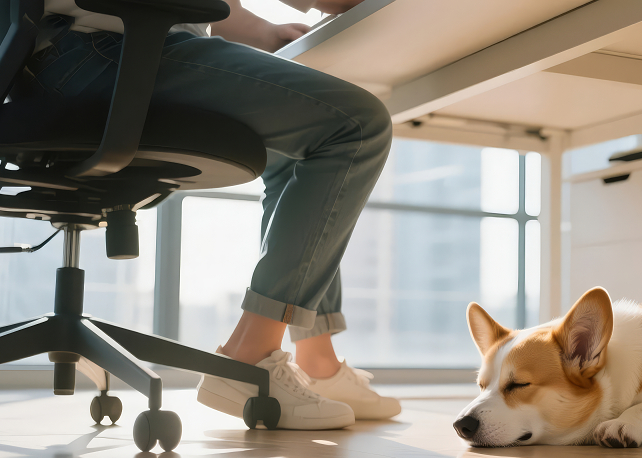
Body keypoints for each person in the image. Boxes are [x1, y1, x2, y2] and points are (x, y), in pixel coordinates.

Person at [22, 0, 401, 429]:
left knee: (293, 157)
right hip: (109, 53)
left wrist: (265, 31)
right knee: (358, 126)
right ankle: (251, 358)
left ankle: (319, 361)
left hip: (56, 62)